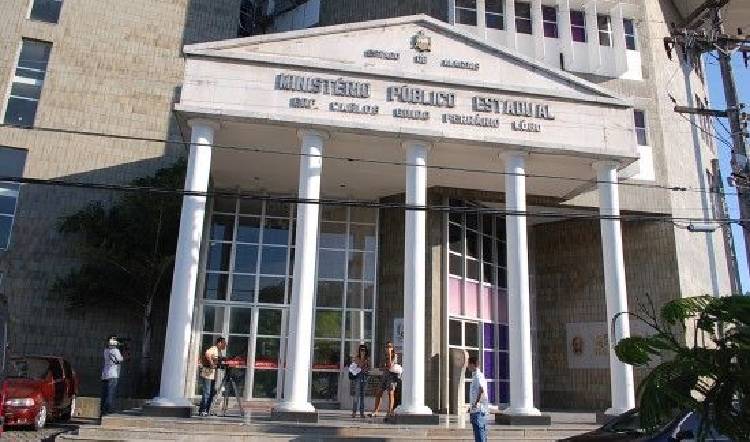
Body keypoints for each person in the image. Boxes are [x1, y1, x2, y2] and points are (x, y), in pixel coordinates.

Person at [198, 337, 226, 417]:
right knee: (207, 392)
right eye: (224, 343)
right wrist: (211, 363)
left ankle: (207, 410)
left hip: (213, 375)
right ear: (219, 343)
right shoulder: (213, 349)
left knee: (211, 392)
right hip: (208, 374)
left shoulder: (219, 351)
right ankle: (203, 410)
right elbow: (207, 354)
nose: (225, 345)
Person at [369, 340, 398, 418]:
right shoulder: (383, 356)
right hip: (384, 376)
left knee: (390, 393)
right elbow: (381, 367)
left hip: (392, 376)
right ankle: (376, 411)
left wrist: (389, 354)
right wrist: (384, 367)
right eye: (387, 346)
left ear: (392, 348)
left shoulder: (395, 356)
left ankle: (390, 411)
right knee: (378, 392)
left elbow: (390, 365)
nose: (388, 348)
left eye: (390, 346)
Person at [101, 335, 124, 416]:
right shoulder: (116, 351)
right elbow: (120, 359)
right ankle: (109, 410)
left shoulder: (106, 350)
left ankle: (103, 410)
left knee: (104, 394)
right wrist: (121, 349)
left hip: (105, 375)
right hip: (113, 375)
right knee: (111, 394)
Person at [467, 356, 489, 442]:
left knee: (480, 434)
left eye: (468, 364)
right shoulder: (475, 376)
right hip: (476, 410)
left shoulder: (478, 376)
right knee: (478, 434)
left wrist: (476, 404)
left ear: (472, 364)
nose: (468, 366)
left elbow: (481, 389)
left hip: (478, 410)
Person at [350, 344, 370, 418]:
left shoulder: (367, 359)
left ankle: (362, 412)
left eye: (364, 350)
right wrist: (362, 360)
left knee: (362, 396)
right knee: (356, 395)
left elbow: (368, 369)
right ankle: (354, 412)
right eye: (361, 350)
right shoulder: (357, 358)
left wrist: (365, 366)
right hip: (358, 378)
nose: (362, 352)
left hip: (364, 378)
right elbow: (359, 366)